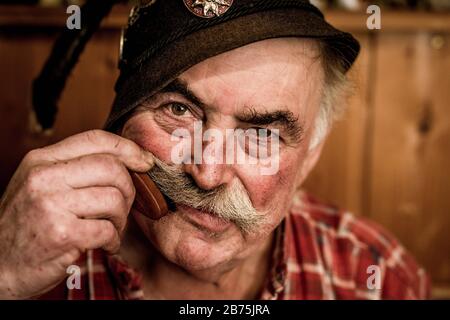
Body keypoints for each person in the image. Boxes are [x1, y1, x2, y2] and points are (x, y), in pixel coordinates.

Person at [0, 0, 429, 299]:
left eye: (260, 134)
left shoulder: (377, 278)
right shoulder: (31, 255)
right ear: (120, 120)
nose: (206, 173)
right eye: (178, 110)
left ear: (310, 155)